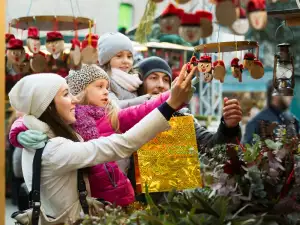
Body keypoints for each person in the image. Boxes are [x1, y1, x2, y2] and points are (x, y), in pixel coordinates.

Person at [8, 70, 194, 223]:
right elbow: (123, 144)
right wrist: (171, 104)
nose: (73, 100)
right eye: (66, 94)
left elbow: (137, 110)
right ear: (47, 107)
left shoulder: (39, 139)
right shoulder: (54, 149)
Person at [129, 56, 243, 203]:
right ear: (140, 83)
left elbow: (213, 146)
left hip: (180, 210)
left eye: (165, 80)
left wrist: (228, 127)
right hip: (138, 211)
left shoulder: (181, 117)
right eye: (153, 78)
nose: (161, 85)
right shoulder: (127, 118)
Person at [98, 32, 153, 109]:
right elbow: (112, 106)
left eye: (129, 56)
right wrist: (144, 100)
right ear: (106, 59)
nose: (126, 61)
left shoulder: (135, 80)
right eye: (119, 56)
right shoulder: (103, 81)